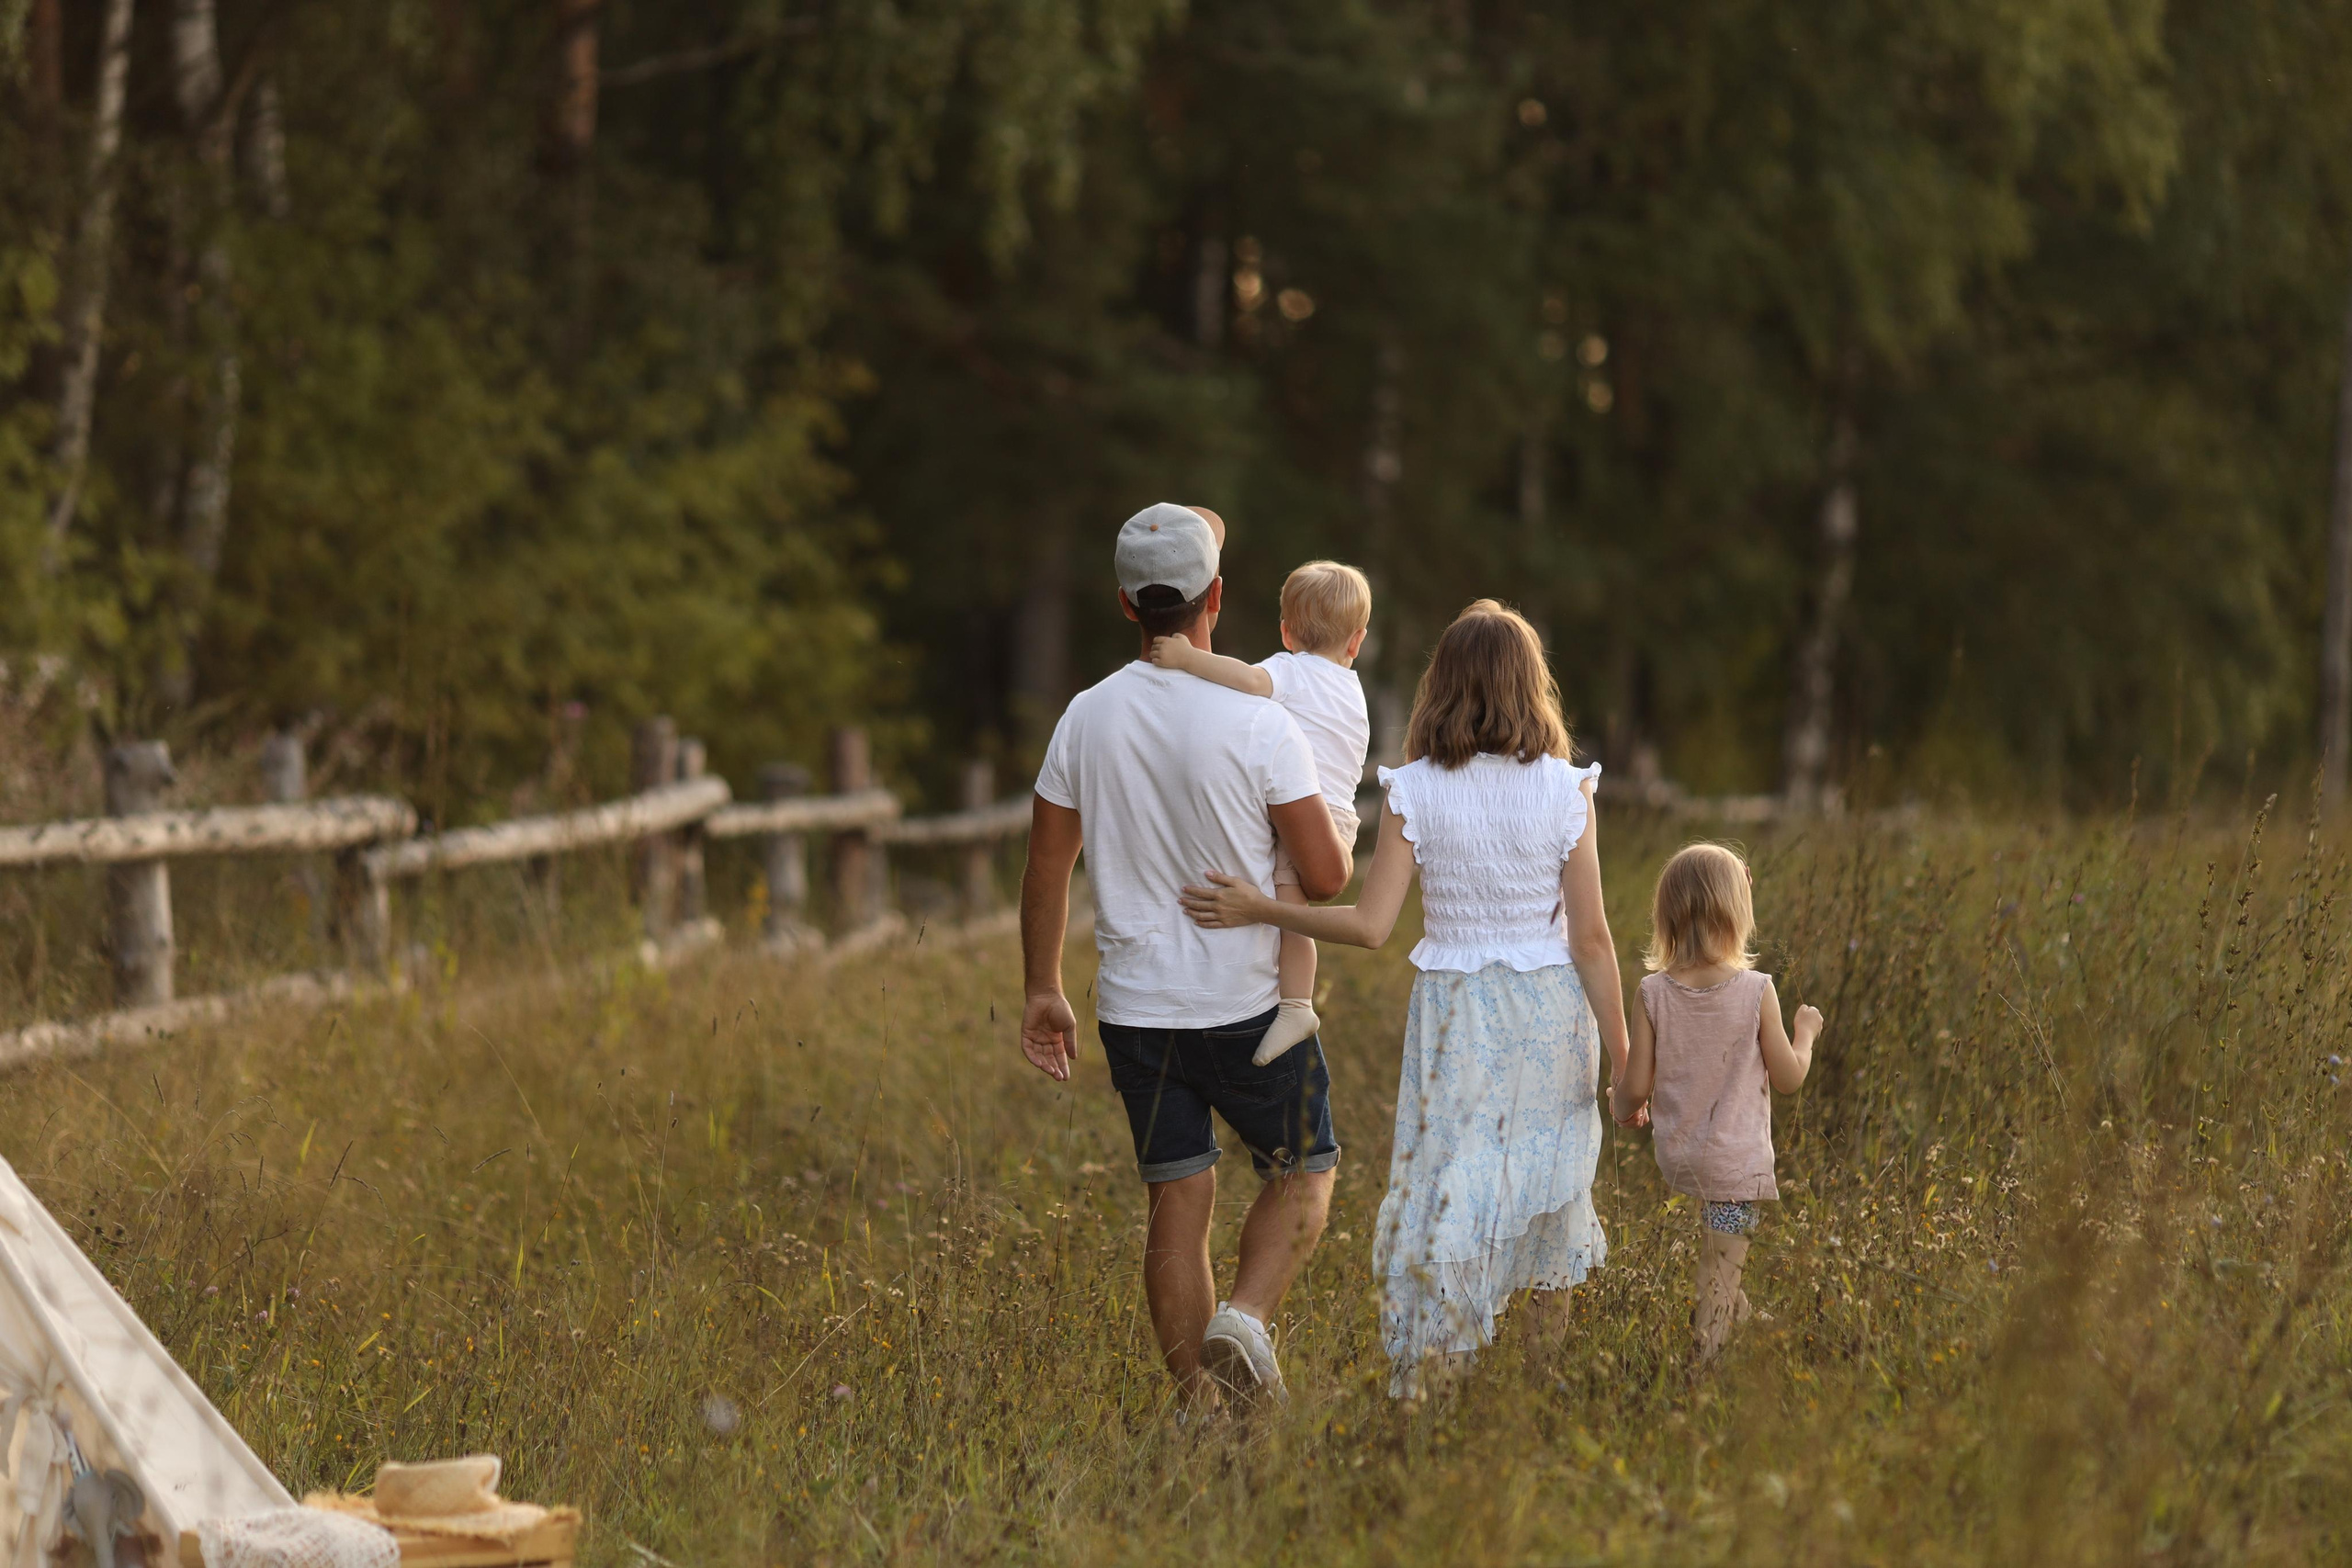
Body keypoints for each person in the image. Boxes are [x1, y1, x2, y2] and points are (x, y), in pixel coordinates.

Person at [1181, 600, 1632, 1398]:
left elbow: (1369, 925)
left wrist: (1263, 908)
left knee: (1446, 1189)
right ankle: (1536, 1389)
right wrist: (1625, 1058)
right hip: (1551, 1015)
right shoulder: (1568, 789)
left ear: (1442, 684)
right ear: (1531, 686)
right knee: (1549, 1197)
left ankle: (1435, 1387)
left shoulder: (1415, 789)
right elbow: (1591, 940)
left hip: (1456, 1016)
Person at [1018, 502, 1351, 1407]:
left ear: (1126, 605)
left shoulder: (1085, 717)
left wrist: (1042, 987)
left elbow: (1047, 864)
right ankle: (1243, 1320)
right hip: (1249, 1004)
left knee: (1178, 1199)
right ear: (1218, 597)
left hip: (1136, 1010)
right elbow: (1325, 879)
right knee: (1305, 1172)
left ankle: (1201, 1412)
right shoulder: (1261, 722)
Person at [1147, 559, 1374, 1066]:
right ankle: (1287, 997)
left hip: (1305, 815)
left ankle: (1296, 1006)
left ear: (1286, 633)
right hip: (1339, 819)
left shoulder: (1293, 671)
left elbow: (1248, 681)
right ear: (1356, 642)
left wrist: (1187, 659)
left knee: (1292, 916)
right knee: (1290, 909)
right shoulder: (1351, 690)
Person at [1608, 842, 1825, 1363]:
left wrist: (1620, 1106)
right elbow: (1789, 1078)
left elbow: (1635, 1085)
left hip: (1683, 1159)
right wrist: (1806, 1033)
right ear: (1738, 913)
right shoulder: (1756, 991)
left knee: (1720, 1261)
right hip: (1733, 1164)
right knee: (1718, 1273)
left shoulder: (1652, 993)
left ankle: (1749, 1323)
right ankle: (1704, 1371)